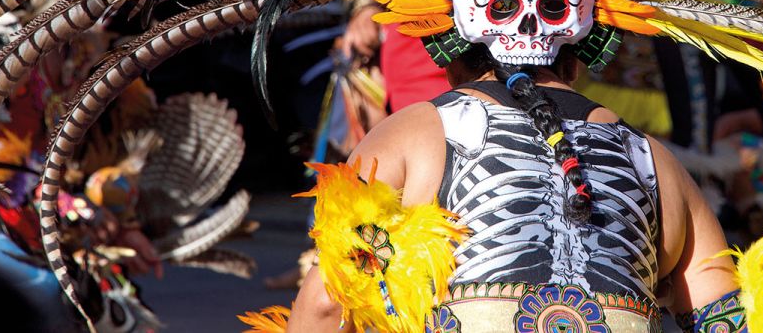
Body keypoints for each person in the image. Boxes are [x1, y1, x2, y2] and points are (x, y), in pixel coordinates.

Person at [287, 43, 737, 331]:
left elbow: (330, 302)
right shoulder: (656, 162)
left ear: (450, 55)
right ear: (578, 59)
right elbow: (728, 318)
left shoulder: (413, 132)